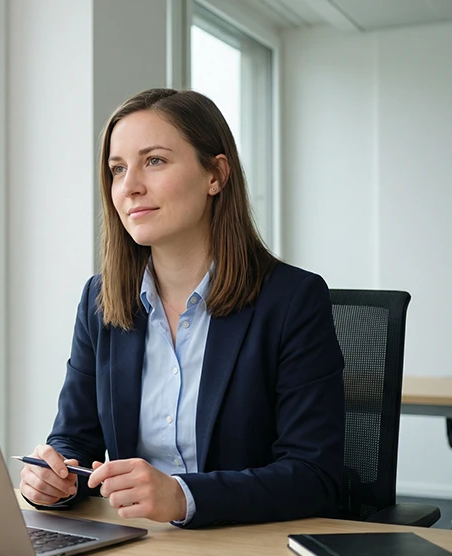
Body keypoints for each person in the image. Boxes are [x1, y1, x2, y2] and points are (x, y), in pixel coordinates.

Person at [19, 88, 345, 529]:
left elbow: (314, 475)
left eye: (154, 161)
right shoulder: (101, 300)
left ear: (216, 175)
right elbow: (75, 439)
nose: (130, 186)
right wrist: (56, 479)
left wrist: (183, 497)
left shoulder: (292, 300)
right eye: (118, 169)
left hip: (244, 542)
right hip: (138, 540)